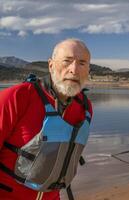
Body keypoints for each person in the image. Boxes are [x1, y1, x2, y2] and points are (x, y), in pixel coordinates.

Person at [0, 38, 93, 200]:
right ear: (51, 65)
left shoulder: (85, 107)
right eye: (67, 61)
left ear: (88, 69)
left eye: (82, 63)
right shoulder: (17, 97)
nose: (74, 70)